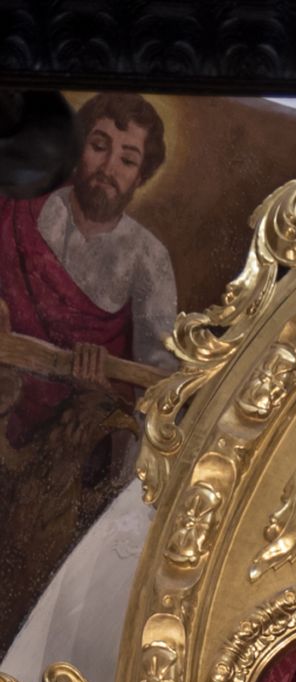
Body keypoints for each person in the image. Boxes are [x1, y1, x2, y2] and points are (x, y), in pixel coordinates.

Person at [0, 92, 177, 447]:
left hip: (68, 438)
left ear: (140, 177)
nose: (108, 168)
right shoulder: (19, 205)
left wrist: (103, 389)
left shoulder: (148, 257)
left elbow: (160, 385)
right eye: (98, 146)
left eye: (127, 160)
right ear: (78, 150)